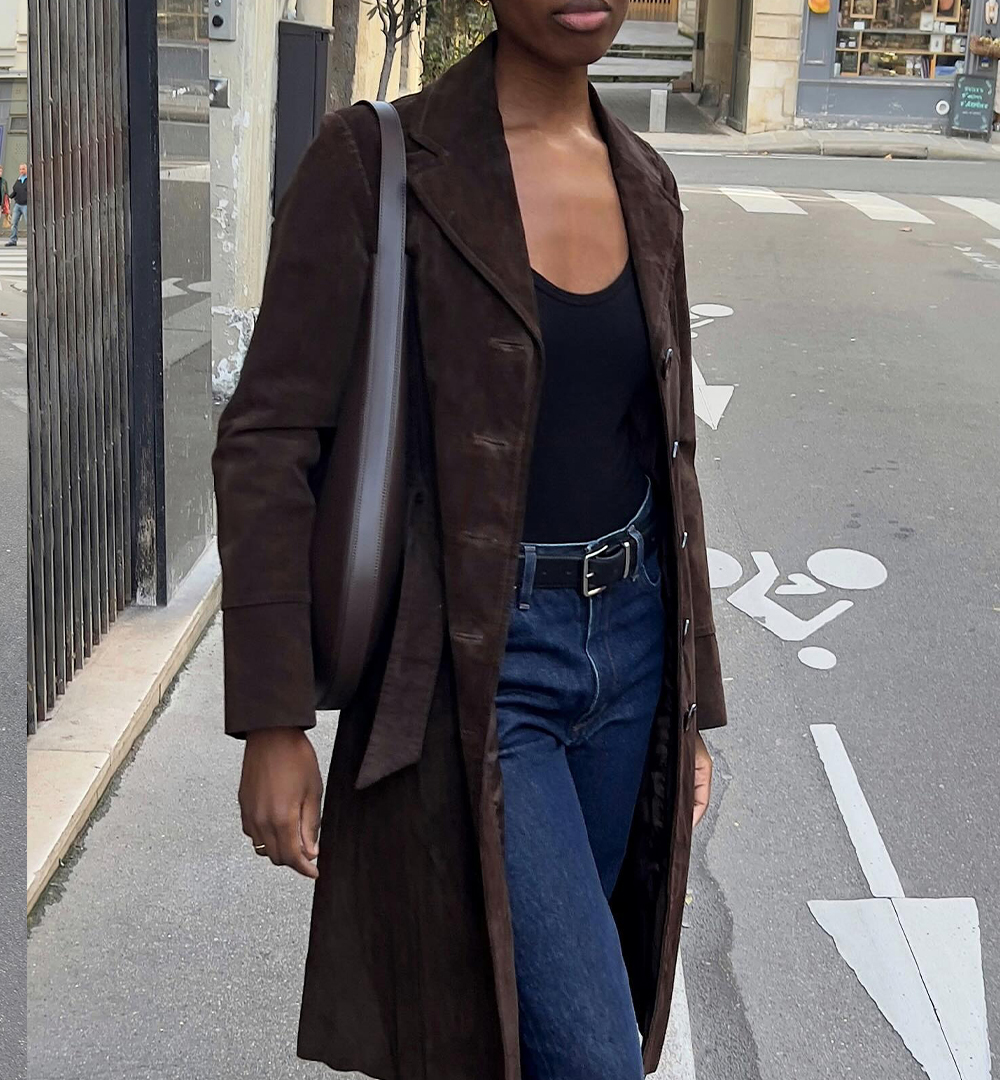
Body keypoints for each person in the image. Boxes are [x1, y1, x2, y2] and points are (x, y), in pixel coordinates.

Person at [211, 4, 725, 1077]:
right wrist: (272, 715)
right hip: (473, 667)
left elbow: (664, 459)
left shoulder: (647, 183)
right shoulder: (377, 161)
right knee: (587, 1054)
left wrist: (692, 711)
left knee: (516, 1034)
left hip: (629, 656)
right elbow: (269, 438)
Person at [6, 163, 28, 247]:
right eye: (20, 169)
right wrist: (9, 197)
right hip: (17, 204)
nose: (22, 171)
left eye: (23, 169)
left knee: (28, 224)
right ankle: (13, 240)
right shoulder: (19, 179)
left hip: (26, 205)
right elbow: (15, 191)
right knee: (13, 223)